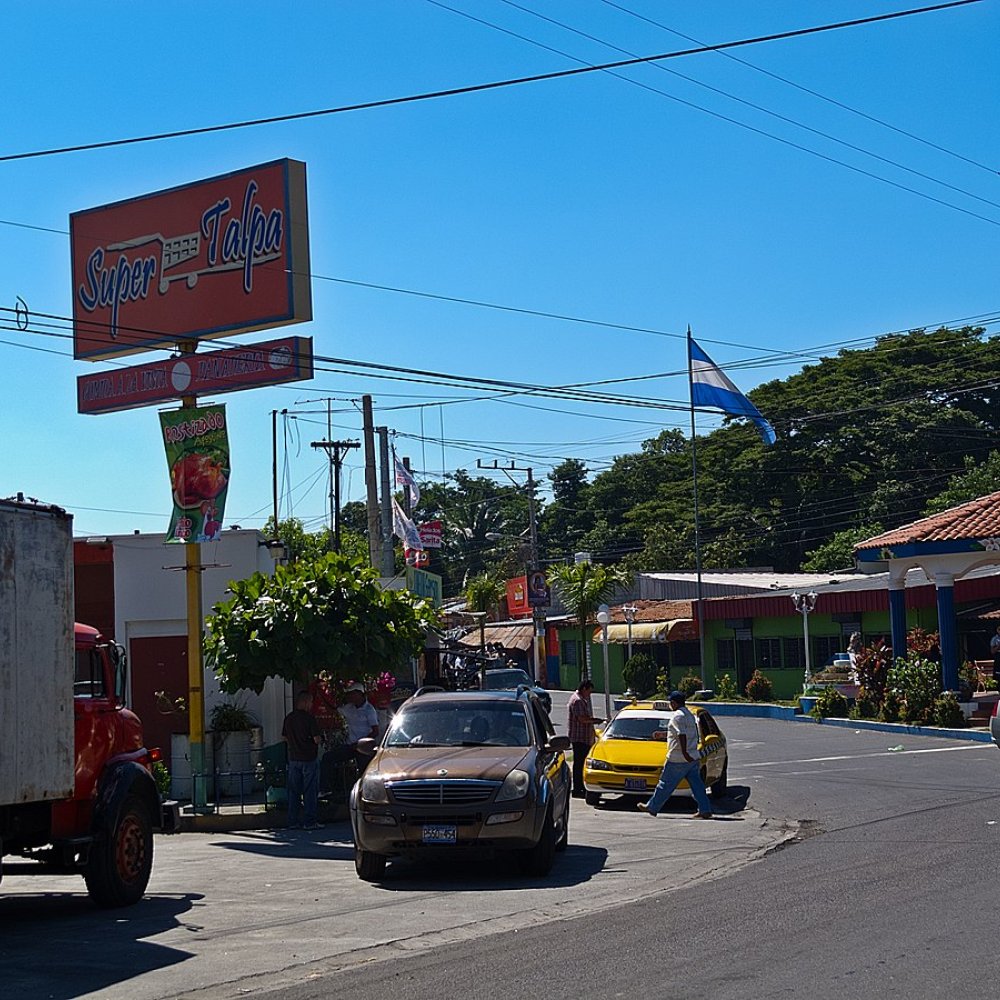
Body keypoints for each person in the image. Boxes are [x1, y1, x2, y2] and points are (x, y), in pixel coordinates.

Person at [638, 690, 713, 819]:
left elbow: (681, 735)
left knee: (664, 784)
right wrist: (663, 734)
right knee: (697, 786)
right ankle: (705, 809)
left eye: (670, 702)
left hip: (678, 758)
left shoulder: (677, 716)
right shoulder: (689, 715)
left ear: (674, 703)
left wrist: (684, 752)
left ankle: (652, 807)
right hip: (692, 757)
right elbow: (682, 733)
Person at [281, 691, 322, 830]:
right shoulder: (309, 719)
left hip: (294, 759)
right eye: (310, 702)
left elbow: (284, 737)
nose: (311, 705)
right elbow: (316, 739)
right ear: (304, 702)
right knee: (310, 791)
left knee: (294, 791)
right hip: (309, 758)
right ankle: (309, 821)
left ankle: (292, 821)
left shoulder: (289, 718)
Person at [567, 679, 602, 798]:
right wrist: (596, 720)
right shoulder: (577, 701)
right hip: (579, 738)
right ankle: (578, 788)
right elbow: (582, 719)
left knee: (582, 763)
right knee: (579, 764)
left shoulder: (581, 700)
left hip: (584, 738)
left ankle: (581, 787)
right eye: (589, 691)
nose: (589, 694)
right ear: (584, 689)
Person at [339, 681, 379, 771]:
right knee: (328, 758)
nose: (350, 696)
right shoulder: (349, 707)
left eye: (352, 694)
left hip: (364, 747)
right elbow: (336, 710)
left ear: (360, 694)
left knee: (363, 767)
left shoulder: (369, 710)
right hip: (350, 746)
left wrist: (361, 743)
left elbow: (375, 731)